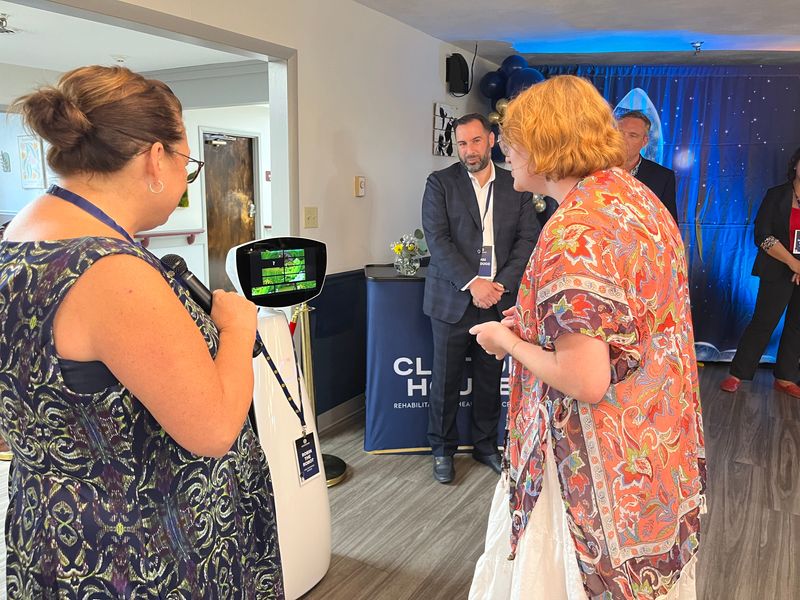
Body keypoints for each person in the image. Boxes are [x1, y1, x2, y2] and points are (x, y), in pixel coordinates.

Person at [0, 66, 283, 597]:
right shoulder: (111, 271)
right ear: (157, 158)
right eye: (187, 164)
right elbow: (213, 429)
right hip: (140, 545)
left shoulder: (18, 237)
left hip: (51, 524)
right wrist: (239, 328)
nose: (183, 176)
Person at [469, 76, 705, 599]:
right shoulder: (633, 199)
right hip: (652, 441)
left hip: (592, 456)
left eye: (512, 142)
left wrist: (504, 340)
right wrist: (531, 325)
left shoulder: (575, 230)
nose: (503, 152)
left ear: (546, 145)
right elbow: (621, 320)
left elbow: (584, 378)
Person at [421, 113, 538, 484]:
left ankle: (486, 445)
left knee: (490, 377)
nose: (468, 150)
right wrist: (473, 283)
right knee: (445, 380)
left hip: (499, 299)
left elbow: (527, 239)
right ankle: (442, 449)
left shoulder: (515, 184)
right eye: (461, 144)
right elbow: (437, 241)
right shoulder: (440, 183)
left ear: (491, 140)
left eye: (474, 141)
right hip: (453, 299)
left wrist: (499, 285)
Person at [720, 148, 800, 398]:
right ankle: (737, 374)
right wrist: (794, 264)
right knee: (763, 322)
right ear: (795, 165)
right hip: (778, 268)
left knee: (797, 325)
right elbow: (762, 236)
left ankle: (786, 377)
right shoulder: (776, 195)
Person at [618, 110, 679, 224]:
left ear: (644, 141)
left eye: (632, 135)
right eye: (619, 133)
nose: (623, 140)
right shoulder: (594, 170)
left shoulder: (663, 177)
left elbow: (669, 225)